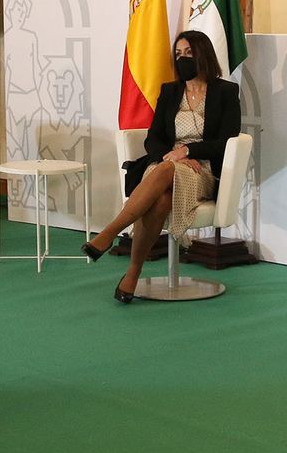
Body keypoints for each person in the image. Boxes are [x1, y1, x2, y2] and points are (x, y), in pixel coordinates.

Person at [81, 30, 242, 302]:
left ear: (203, 54)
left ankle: (109, 233)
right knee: (161, 199)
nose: (182, 59)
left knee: (166, 171)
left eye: (189, 53)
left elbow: (226, 140)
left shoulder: (225, 92)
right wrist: (171, 155)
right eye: (178, 54)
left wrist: (187, 151)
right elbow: (153, 138)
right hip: (165, 163)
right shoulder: (170, 91)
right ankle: (132, 273)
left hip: (201, 169)